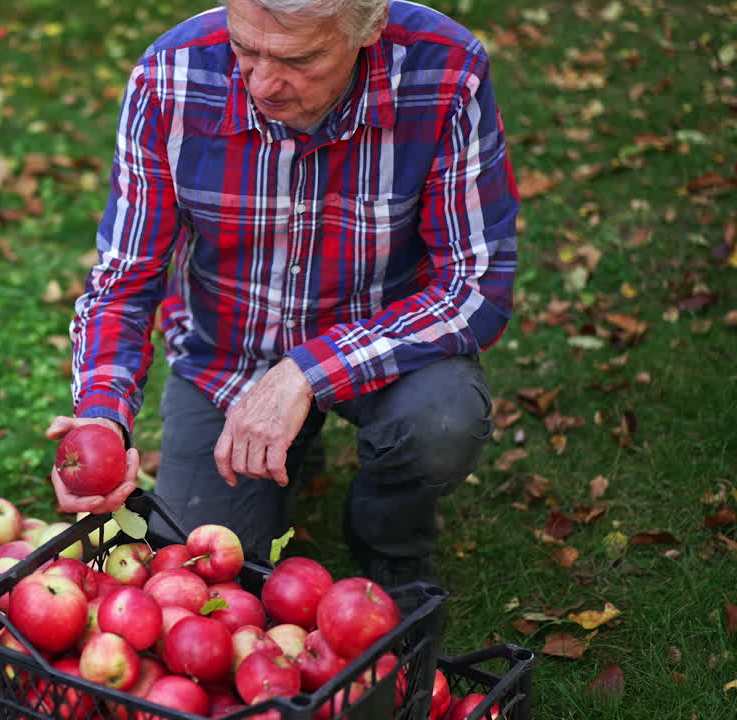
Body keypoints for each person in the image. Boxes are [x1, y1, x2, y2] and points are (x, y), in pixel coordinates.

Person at [47, 0, 518, 588]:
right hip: (230, 358)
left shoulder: (444, 71)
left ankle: (389, 538)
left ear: (366, 30)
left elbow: (478, 285)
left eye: (301, 57)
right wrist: (102, 420)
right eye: (246, 49)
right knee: (203, 569)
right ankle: (295, 450)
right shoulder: (169, 78)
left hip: (382, 348)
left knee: (442, 422)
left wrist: (306, 373)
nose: (264, 84)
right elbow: (125, 282)